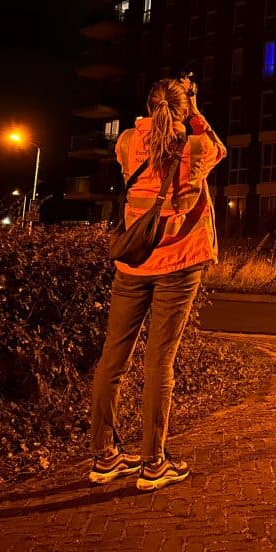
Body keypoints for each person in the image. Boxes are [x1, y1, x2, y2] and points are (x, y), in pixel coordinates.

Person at [89, 76, 226, 491]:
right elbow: (219, 148)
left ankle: (104, 457)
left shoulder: (129, 140)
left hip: (133, 262)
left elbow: (130, 162)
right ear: (185, 109)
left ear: (149, 106)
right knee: (159, 361)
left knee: (113, 358)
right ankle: (153, 463)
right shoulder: (196, 147)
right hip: (179, 261)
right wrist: (196, 111)